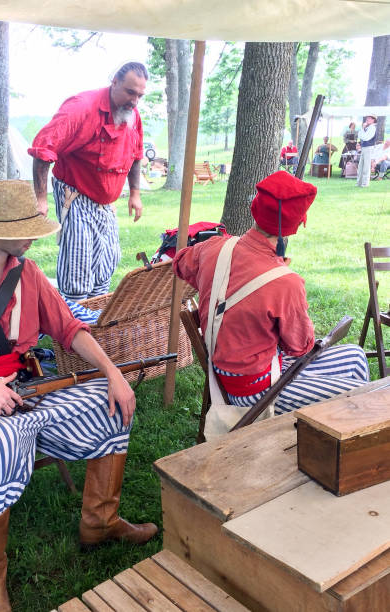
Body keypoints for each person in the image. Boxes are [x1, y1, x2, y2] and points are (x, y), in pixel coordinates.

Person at [0, 180, 157, 611]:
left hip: (27, 390)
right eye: (27, 228)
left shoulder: (28, 274)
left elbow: (69, 329)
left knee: (107, 406)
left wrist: (112, 372)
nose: (36, 236)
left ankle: (100, 522)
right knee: (3, 440)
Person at [172, 171, 369, 428]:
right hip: (254, 392)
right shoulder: (285, 282)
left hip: (242, 370)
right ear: (295, 226)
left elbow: (179, 263)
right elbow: (300, 347)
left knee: (355, 355)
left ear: (255, 210)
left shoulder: (213, 248)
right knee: (361, 399)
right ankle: (334, 447)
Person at [28, 62, 148, 302]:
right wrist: (40, 199)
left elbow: (135, 156)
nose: (134, 101)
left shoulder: (132, 115)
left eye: (140, 95)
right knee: (78, 264)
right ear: (114, 82)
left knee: (107, 261)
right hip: (76, 193)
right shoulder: (81, 108)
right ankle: (71, 325)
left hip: (106, 203)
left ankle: (93, 321)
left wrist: (135, 193)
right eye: (129, 92)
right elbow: (43, 150)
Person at [356, 114, 377, 187]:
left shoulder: (372, 128)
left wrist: (362, 129)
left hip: (368, 148)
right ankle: (359, 182)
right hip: (364, 148)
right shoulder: (367, 128)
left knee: (366, 167)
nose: (367, 119)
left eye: (369, 118)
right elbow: (360, 135)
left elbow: (365, 138)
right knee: (360, 166)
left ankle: (365, 183)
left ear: (373, 120)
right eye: (367, 118)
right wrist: (363, 128)